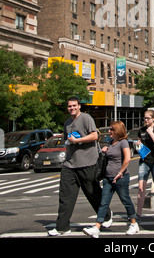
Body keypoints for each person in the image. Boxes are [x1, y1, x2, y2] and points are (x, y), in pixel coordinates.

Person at [48, 96, 111, 236]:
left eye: (74, 105)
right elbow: (67, 140)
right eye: (69, 106)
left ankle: (106, 215)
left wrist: (78, 140)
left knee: (91, 192)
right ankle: (62, 227)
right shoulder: (67, 123)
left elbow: (95, 136)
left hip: (88, 162)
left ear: (79, 106)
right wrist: (69, 145)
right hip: (70, 164)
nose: (72, 108)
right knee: (65, 196)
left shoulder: (86, 118)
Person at [83, 121, 139, 238]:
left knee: (125, 200)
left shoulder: (123, 142)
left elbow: (127, 158)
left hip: (120, 178)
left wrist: (120, 172)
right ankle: (97, 227)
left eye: (112, 129)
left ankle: (133, 223)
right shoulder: (110, 142)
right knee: (103, 202)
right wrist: (104, 151)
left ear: (118, 131)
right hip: (108, 178)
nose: (109, 132)